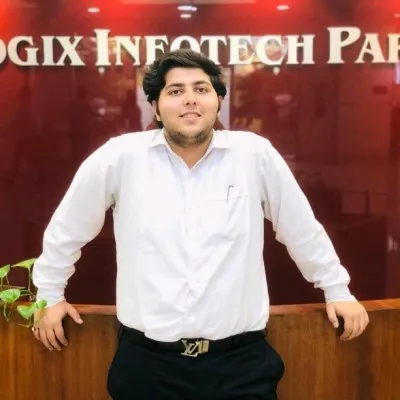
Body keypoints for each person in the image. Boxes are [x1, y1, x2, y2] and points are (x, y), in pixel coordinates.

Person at [32, 49, 369, 400]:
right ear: (156, 106)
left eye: (202, 89)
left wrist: (337, 289)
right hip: (147, 366)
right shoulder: (120, 157)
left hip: (240, 365)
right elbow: (67, 229)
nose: (190, 99)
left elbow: (301, 229)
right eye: (175, 90)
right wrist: (50, 295)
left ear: (219, 101)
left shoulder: (253, 155)